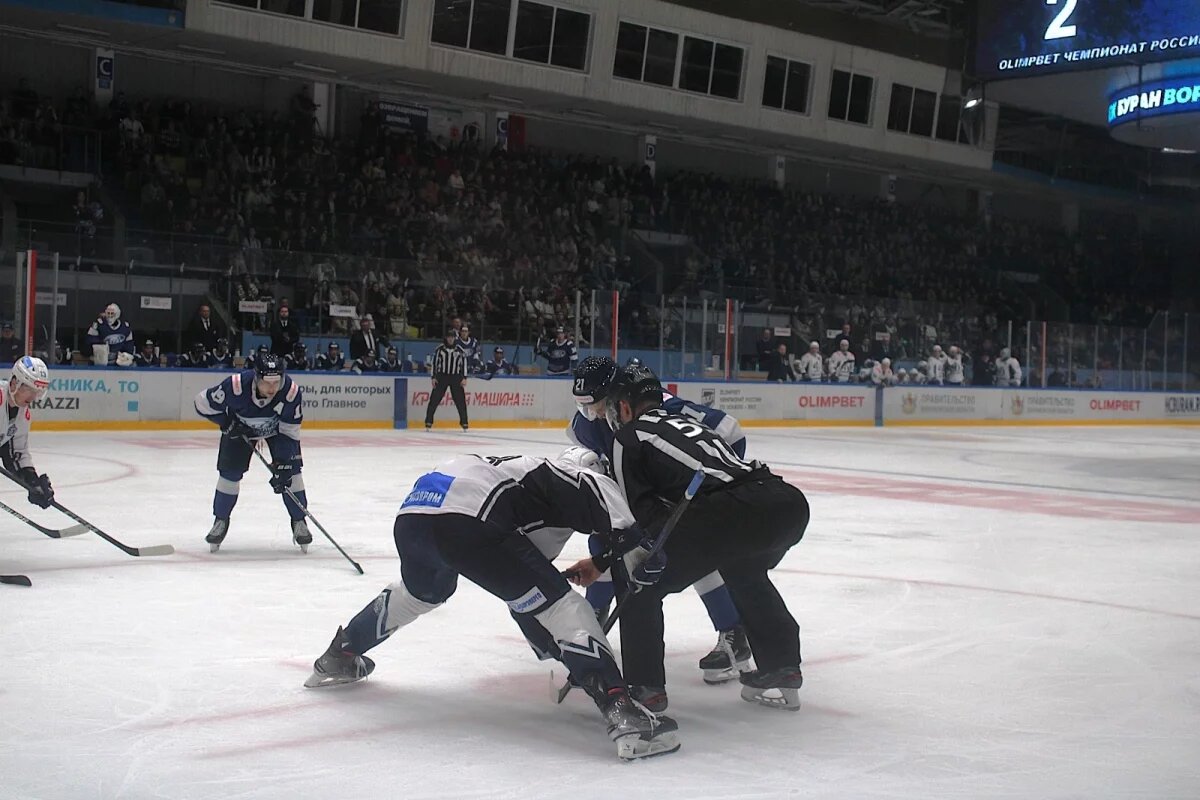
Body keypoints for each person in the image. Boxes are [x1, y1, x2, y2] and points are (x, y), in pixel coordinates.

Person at [303, 450, 680, 761]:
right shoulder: (569, 472)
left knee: (418, 594)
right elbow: (596, 495)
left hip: (414, 515)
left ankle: (340, 654)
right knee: (565, 609)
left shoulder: (519, 477)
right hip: (468, 519)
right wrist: (640, 547)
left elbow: (524, 590)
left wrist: (559, 648)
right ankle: (624, 714)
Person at [567, 364, 809, 713]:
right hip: (785, 503)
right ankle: (781, 665)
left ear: (624, 407)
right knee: (743, 571)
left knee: (638, 579)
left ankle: (645, 688)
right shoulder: (687, 422)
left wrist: (604, 561)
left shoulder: (627, 438)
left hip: (730, 510)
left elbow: (639, 524)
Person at [567, 356, 750, 686]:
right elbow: (586, 445)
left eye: (596, 405)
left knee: (695, 552)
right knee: (606, 536)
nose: (592, 414)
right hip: (638, 486)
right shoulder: (590, 422)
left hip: (676, 486)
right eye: (585, 406)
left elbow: (729, 431)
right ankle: (594, 624)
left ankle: (733, 632)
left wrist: (708, 483)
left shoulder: (657, 405)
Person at [193, 353, 311, 552]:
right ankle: (220, 519)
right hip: (241, 429)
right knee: (230, 473)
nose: (272, 388)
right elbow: (201, 402)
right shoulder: (235, 386)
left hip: (278, 432)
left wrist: (283, 462)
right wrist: (226, 423)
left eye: (276, 382)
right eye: (267, 383)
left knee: (291, 473)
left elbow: (290, 431)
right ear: (256, 378)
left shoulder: (290, 392)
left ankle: (299, 520)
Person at [0, 357, 54, 511]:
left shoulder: (23, 416)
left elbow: (15, 453)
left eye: (37, 392)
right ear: (14, 382)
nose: (33, 397)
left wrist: (32, 482)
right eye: (29, 389)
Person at [425, 330, 468, 432]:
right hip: (442, 376)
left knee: (460, 401)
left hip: (455, 377)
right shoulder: (439, 349)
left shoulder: (459, 350)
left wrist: (464, 378)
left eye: (452, 337)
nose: (450, 339)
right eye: (449, 337)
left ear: (454, 338)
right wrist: (433, 377)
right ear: (446, 338)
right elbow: (434, 364)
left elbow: (464, 364)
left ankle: (464, 423)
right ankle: (428, 422)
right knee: (434, 399)